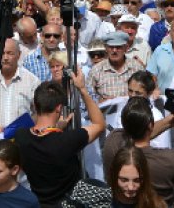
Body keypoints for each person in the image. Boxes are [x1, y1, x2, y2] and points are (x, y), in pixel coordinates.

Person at [15, 73, 106, 206]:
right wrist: (82, 89)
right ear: (58, 108)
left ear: (35, 105)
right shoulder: (67, 140)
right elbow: (99, 124)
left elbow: (41, 135)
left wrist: (57, 127)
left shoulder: (21, 137)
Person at [101, 96, 174, 207]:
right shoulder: (167, 160)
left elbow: (135, 131)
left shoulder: (112, 141)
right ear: (150, 125)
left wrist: (170, 120)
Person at [88, 31, 145, 101]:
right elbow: (88, 97)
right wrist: (99, 100)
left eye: (118, 47)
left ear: (126, 48)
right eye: (111, 47)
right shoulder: (96, 71)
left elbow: (146, 92)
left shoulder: (137, 68)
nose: (114, 50)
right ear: (106, 48)